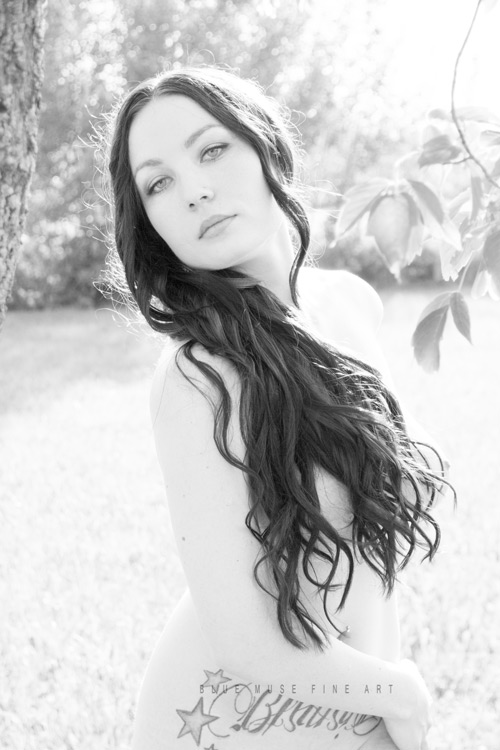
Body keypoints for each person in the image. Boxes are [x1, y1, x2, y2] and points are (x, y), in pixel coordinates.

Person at [103, 65, 454, 750]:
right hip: (228, 721)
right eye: (158, 184)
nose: (194, 190)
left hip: (344, 693)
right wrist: (397, 693)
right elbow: (245, 642)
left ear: (265, 144)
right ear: (150, 224)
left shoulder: (349, 303)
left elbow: (367, 548)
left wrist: (383, 689)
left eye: (212, 150)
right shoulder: (199, 376)